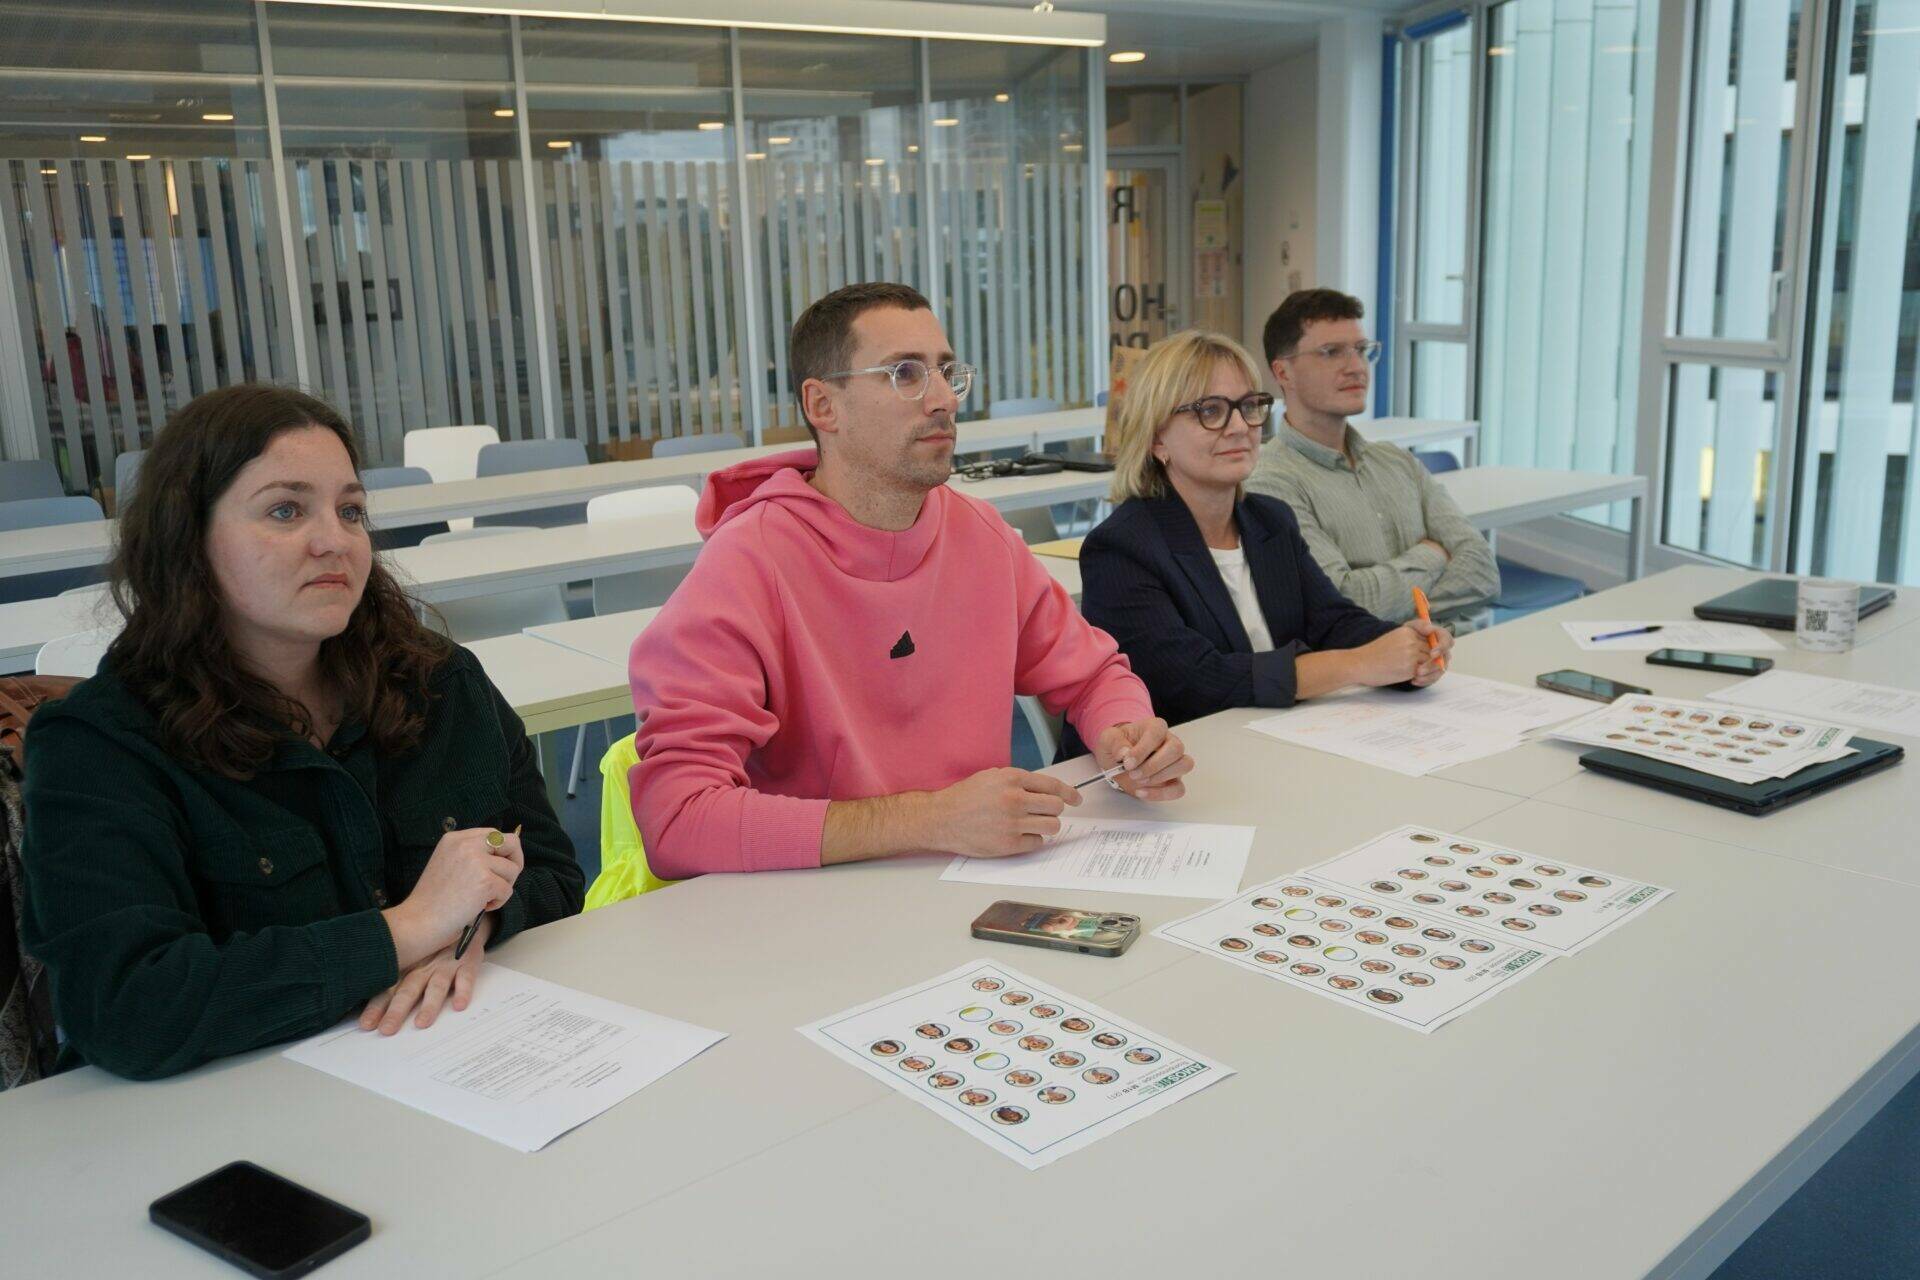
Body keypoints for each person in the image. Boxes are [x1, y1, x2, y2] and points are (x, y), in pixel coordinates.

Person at [20, 385, 583, 1080]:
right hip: (222, 1110)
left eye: (350, 511)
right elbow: (128, 1007)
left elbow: (554, 872)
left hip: (448, 1063)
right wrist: (410, 927)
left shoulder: (440, 681)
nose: (334, 541)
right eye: (285, 510)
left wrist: (473, 927)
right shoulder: (99, 743)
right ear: (188, 539)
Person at [627, 282, 1192, 879]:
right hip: (821, 899)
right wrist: (930, 819)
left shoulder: (983, 535)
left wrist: (1124, 732)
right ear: (823, 406)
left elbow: (1093, 675)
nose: (944, 399)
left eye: (946, 371)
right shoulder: (748, 563)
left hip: (979, 875)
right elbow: (677, 819)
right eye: (905, 373)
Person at [1077, 329, 1451, 733]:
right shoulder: (1120, 548)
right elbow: (1196, 682)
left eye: (1248, 406)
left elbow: (1333, 621)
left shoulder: (1270, 520)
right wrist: (1360, 664)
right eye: (1210, 410)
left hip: (1276, 735)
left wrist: (1408, 646)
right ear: (1156, 439)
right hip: (1185, 752)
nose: (1240, 426)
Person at [1248, 289, 1500, 632]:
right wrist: (1433, 554)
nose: (1356, 367)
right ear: (1283, 373)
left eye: (1362, 350)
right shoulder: (1269, 483)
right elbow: (1340, 604)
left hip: (1453, 652)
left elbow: (1484, 574)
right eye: (1331, 352)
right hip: (1377, 666)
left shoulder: (1398, 461)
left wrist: (1388, 609)